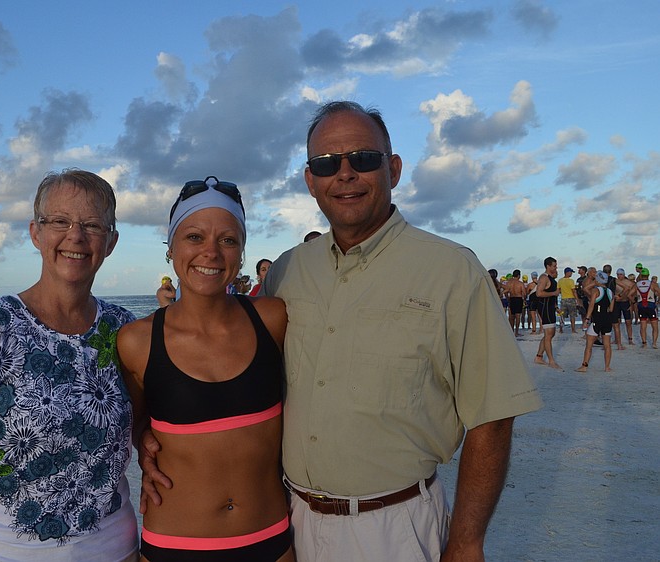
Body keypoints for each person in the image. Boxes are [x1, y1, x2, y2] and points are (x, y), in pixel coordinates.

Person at [141, 102, 542, 562]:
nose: (345, 174)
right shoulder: (289, 270)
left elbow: (493, 416)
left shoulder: (451, 270)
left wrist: (468, 541)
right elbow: (228, 368)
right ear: (311, 181)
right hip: (290, 522)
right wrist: (146, 439)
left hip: (395, 525)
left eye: (364, 159)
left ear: (392, 168)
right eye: (327, 164)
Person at [0, 169, 139, 562]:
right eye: (60, 222)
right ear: (36, 232)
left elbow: (153, 435)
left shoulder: (127, 332)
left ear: (111, 241)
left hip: (113, 552)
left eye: (92, 225)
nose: (76, 236)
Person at [120, 177, 292, 562]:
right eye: (194, 237)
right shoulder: (137, 342)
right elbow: (137, 423)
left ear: (242, 251)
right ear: (171, 248)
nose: (211, 253)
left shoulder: (273, 319)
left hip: (272, 539)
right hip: (175, 545)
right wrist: (141, 445)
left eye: (228, 240)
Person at [577, 269, 614, 373]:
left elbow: (591, 305)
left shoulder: (595, 291)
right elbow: (611, 309)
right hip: (607, 320)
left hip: (597, 320)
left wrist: (587, 319)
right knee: (607, 345)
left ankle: (584, 366)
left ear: (598, 280)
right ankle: (607, 367)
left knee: (589, 345)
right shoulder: (611, 292)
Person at [535, 257, 562, 370]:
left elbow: (552, 295)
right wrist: (554, 293)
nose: (556, 267)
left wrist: (556, 307)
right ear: (548, 266)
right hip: (544, 308)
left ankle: (539, 357)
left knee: (550, 334)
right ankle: (551, 360)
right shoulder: (543, 278)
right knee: (549, 335)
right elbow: (539, 293)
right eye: (554, 266)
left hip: (550, 307)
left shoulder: (551, 278)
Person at [635, 267, 660, 348]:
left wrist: (634, 301)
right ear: (648, 275)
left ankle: (644, 343)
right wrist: (658, 301)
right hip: (651, 306)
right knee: (655, 326)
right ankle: (654, 343)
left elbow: (629, 294)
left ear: (641, 276)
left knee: (643, 325)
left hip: (641, 306)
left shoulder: (637, 284)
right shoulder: (653, 284)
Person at [613, 268, 636, 348]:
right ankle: (617, 339)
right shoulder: (615, 282)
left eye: (621, 274)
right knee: (616, 322)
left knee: (628, 322)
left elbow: (632, 295)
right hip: (617, 303)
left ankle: (630, 339)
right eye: (618, 274)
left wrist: (631, 305)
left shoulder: (629, 283)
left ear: (624, 274)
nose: (619, 276)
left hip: (625, 303)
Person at [504, 269, 526, 337]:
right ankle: (516, 332)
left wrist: (508, 298)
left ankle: (511, 331)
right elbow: (524, 293)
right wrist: (524, 299)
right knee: (518, 315)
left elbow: (506, 292)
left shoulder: (509, 283)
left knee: (511, 316)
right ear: (519, 275)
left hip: (512, 298)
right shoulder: (520, 283)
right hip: (518, 299)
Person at [558, 267, 579, 333]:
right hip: (571, 299)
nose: (571, 274)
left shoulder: (560, 280)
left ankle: (561, 329)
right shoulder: (571, 281)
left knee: (562, 315)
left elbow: (558, 290)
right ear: (568, 272)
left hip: (563, 299)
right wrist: (577, 299)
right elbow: (573, 291)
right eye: (571, 272)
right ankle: (573, 329)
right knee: (572, 315)